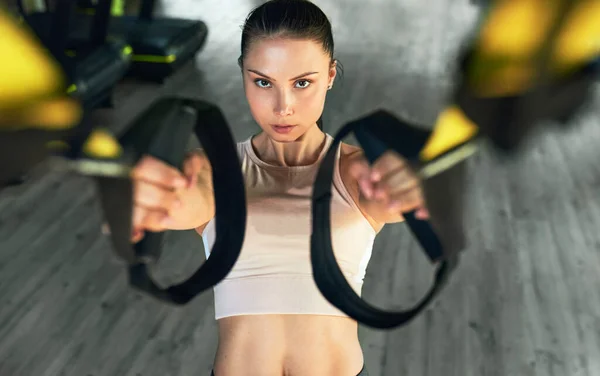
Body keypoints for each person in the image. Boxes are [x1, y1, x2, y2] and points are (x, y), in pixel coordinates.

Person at [129, 1, 429, 375]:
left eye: (302, 82)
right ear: (243, 74)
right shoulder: (214, 171)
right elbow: (182, 199)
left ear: (331, 74)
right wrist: (147, 198)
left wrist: (422, 186)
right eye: (263, 82)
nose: (283, 106)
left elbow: (415, 195)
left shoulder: (357, 172)